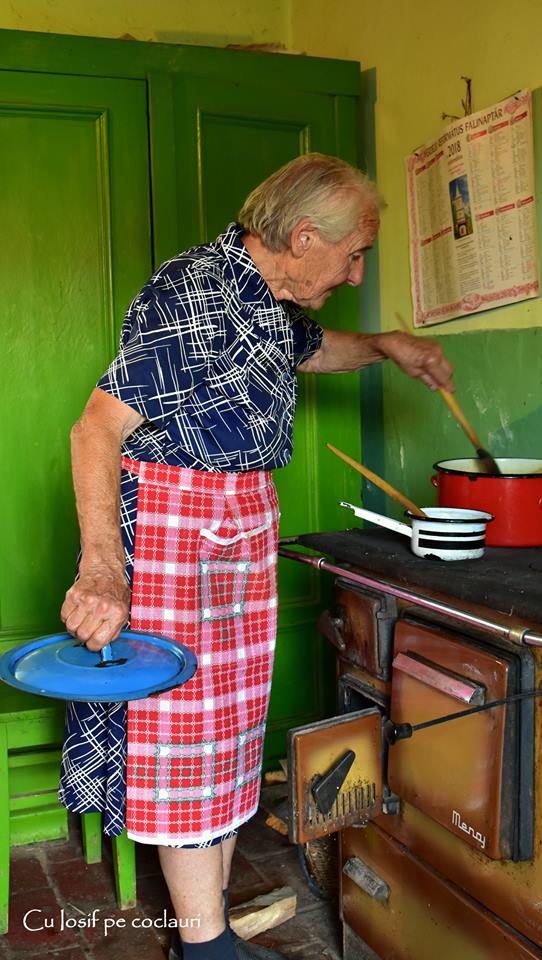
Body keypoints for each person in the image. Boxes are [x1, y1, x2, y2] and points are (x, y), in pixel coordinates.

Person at [58, 153, 454, 960]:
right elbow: (95, 430)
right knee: (184, 740)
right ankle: (205, 949)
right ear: (303, 236)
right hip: (178, 534)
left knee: (230, 736)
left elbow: (315, 350)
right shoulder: (194, 293)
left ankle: (208, 935)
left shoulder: (267, 298)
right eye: (352, 256)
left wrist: (385, 345)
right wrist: (102, 566)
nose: (354, 274)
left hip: (236, 534)